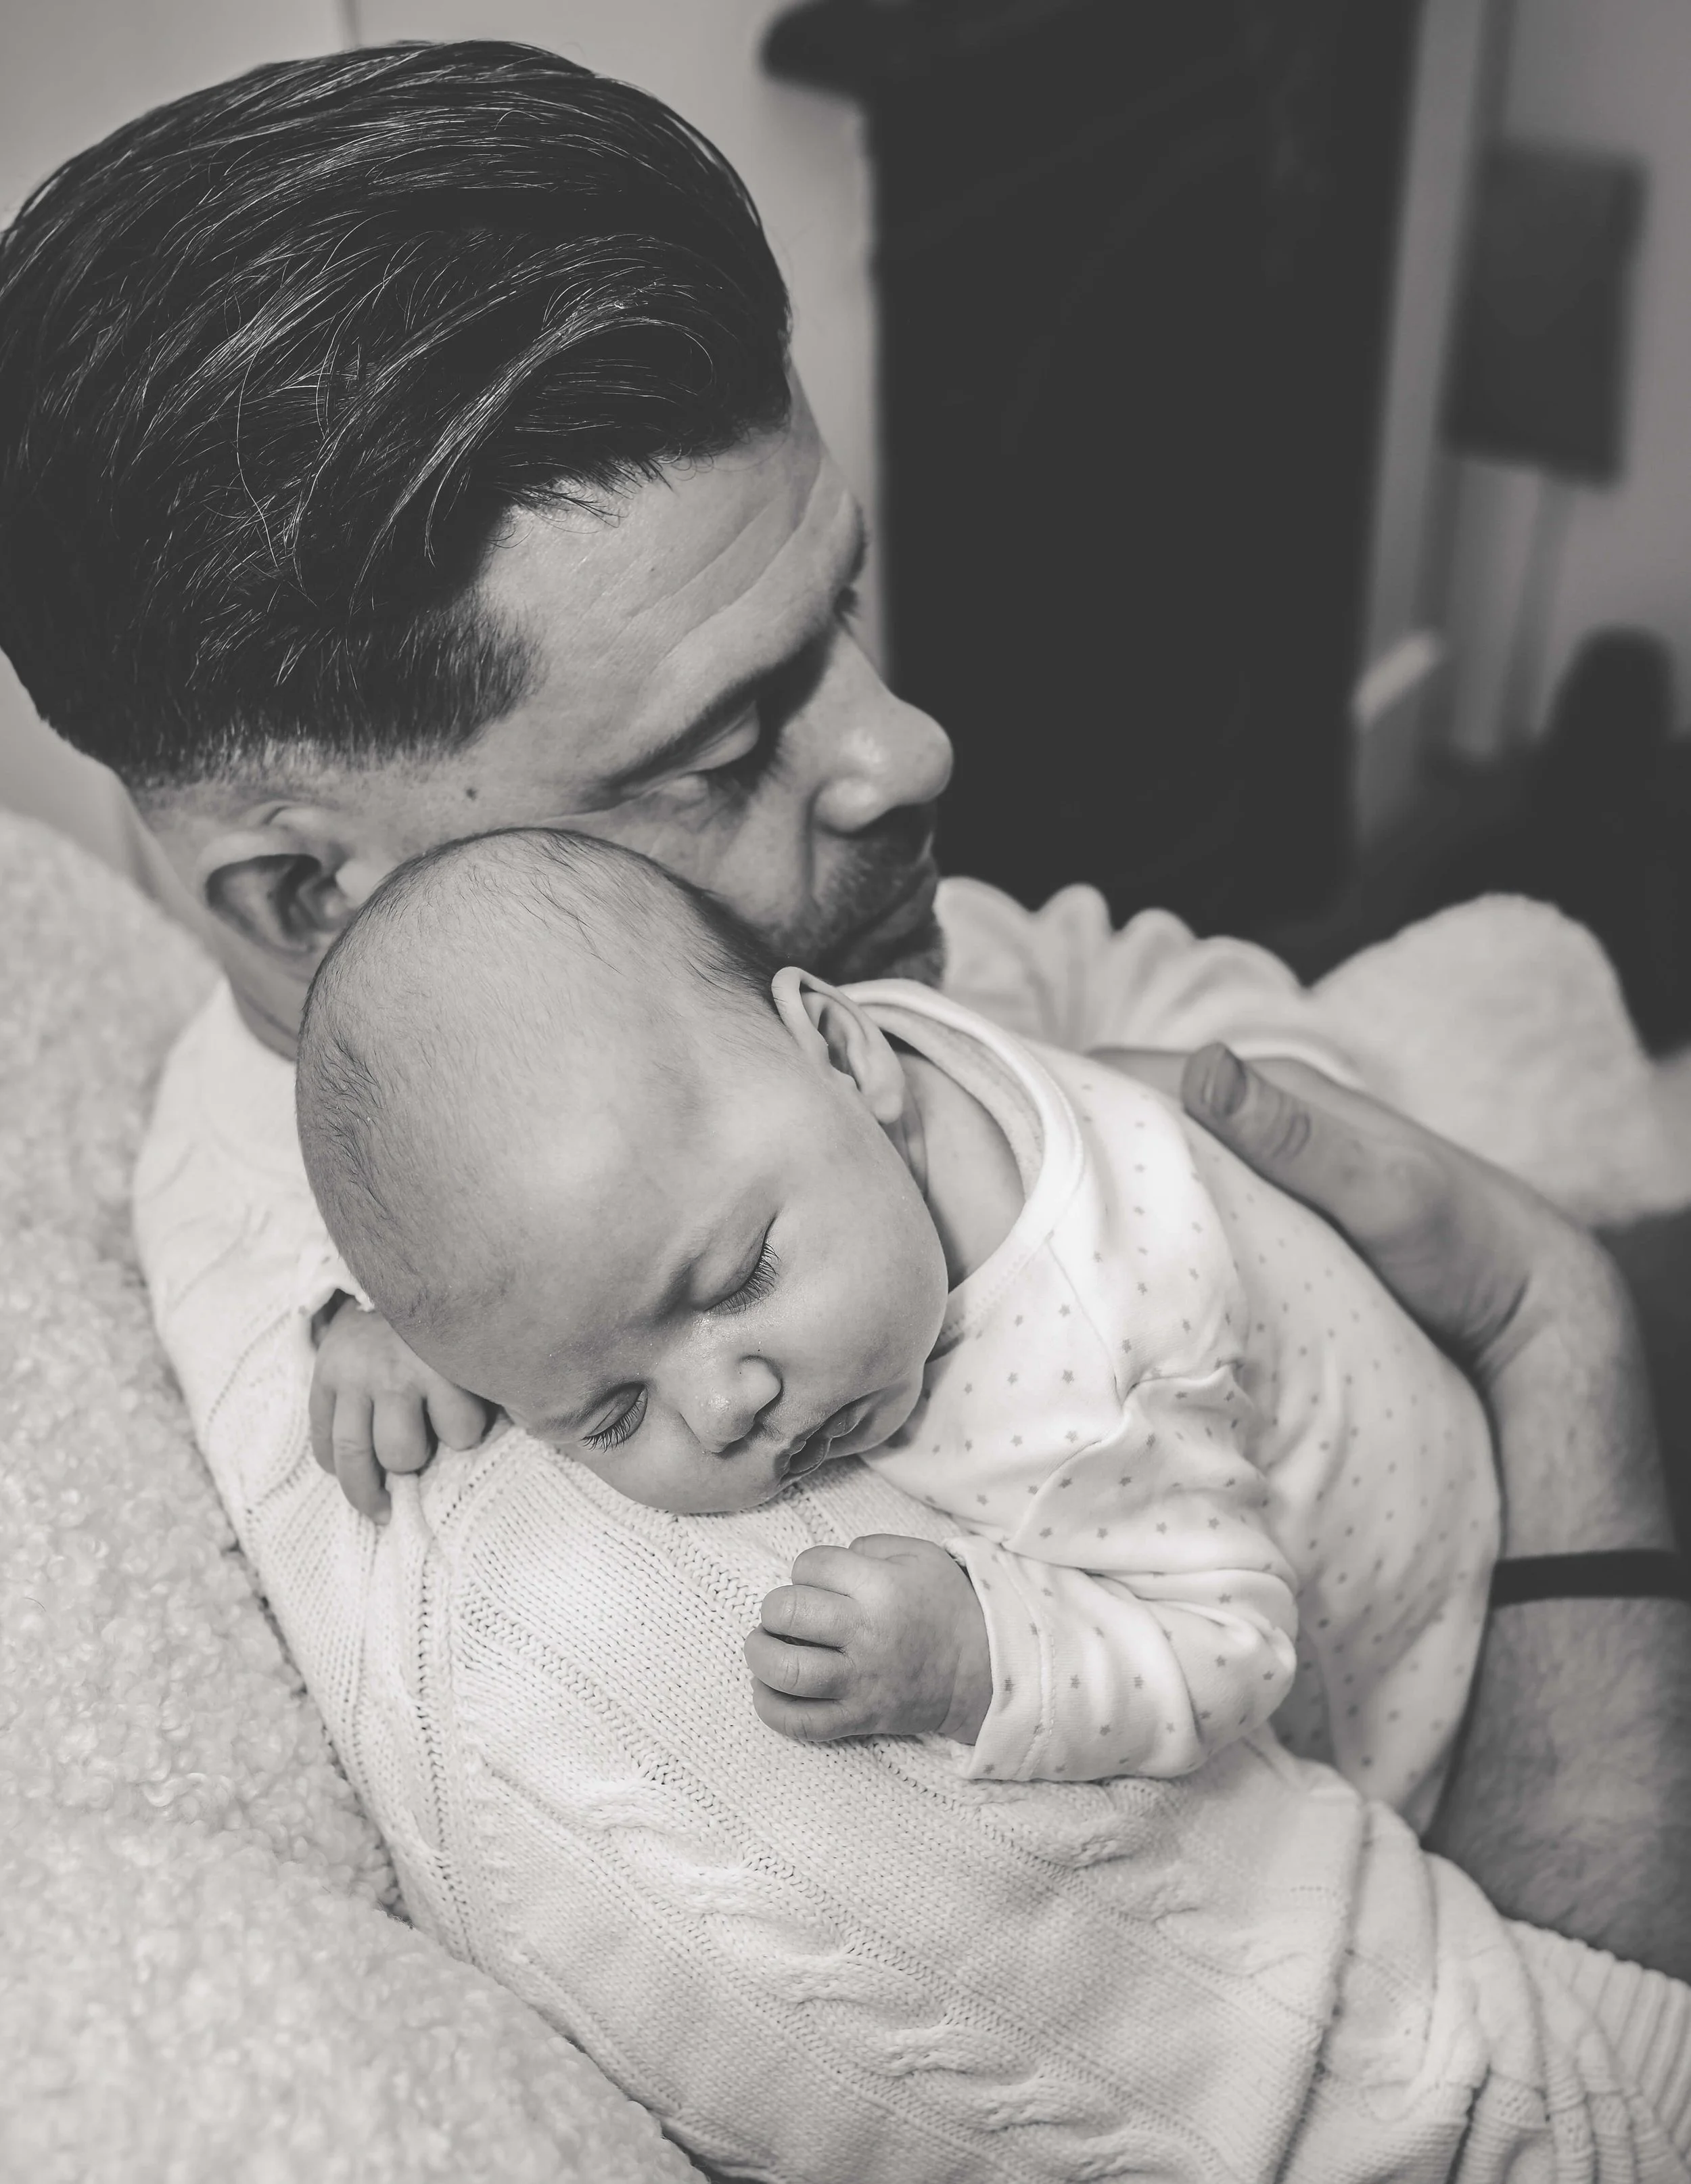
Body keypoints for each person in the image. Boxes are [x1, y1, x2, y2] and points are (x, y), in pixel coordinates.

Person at [0, 39, 1687, 2177]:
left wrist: (1286, 1143)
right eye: (727, 736)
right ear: (299, 893)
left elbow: (1085, 964)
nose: (910, 751)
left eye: (844, 612)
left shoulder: (650, 985)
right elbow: (1578, 2114)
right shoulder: (692, 1661)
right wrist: (1551, 1341)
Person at [298, 827, 1496, 1825]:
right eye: (611, 1413)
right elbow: (545, 1235)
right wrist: (413, 1329)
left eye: (738, 1280)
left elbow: (1236, 1647)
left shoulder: (1093, 1372)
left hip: (1430, 1682)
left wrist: (978, 1660)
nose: (724, 1407)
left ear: (840, 1045)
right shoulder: (779, 1086)